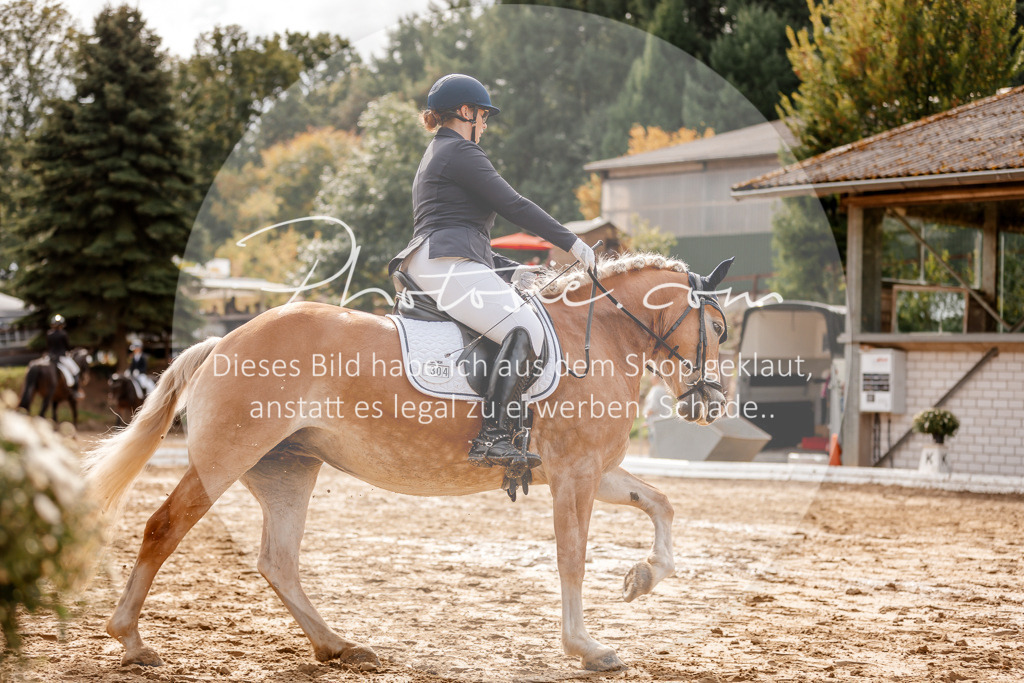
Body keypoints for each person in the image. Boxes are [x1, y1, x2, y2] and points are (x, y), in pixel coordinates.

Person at [389, 73, 596, 469]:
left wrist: (510, 269)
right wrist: (572, 243)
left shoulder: (441, 152)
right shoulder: (461, 152)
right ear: (465, 112)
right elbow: (515, 205)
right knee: (527, 331)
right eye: (482, 116)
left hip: (437, 259)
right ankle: (494, 436)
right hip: (446, 263)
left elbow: (458, 227)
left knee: (518, 320)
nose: (484, 125)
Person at [46, 314, 83, 400]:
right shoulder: (63, 334)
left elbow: (48, 347)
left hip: (51, 357)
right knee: (76, 370)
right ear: (61, 325)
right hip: (61, 357)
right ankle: (75, 391)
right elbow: (67, 347)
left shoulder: (49, 334)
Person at [642, 375, 674, 457]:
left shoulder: (656, 390)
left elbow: (652, 408)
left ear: (657, 378)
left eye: (652, 377)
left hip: (655, 424)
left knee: (655, 449)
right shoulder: (666, 391)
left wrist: (645, 419)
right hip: (665, 423)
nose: (650, 379)